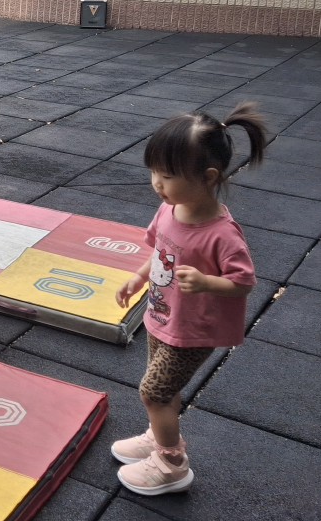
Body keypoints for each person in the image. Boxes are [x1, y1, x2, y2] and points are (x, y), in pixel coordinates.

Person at [111, 103, 267, 496]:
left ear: (207, 177)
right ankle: (159, 434)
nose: (156, 184)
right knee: (163, 391)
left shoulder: (222, 234)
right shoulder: (170, 210)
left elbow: (243, 282)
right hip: (163, 316)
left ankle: (172, 463)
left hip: (194, 330)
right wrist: (138, 278)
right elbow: (159, 252)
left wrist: (206, 282)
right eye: (154, 172)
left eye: (167, 176)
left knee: (154, 391)